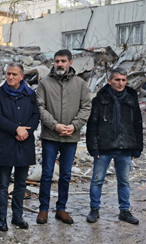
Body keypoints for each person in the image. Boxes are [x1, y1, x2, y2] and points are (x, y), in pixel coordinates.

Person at [36, 49, 91, 225]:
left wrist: (74, 125)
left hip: (71, 137)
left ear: (70, 62)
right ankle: (43, 209)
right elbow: (40, 107)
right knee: (46, 173)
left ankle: (61, 209)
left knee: (65, 175)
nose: (59, 64)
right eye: (57, 61)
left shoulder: (80, 84)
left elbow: (86, 108)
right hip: (50, 136)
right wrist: (55, 125)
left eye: (63, 61)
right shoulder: (45, 83)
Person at [85, 68, 143, 225]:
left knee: (124, 181)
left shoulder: (131, 99)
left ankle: (124, 211)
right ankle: (94, 210)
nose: (121, 83)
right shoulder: (99, 100)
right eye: (117, 80)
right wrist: (93, 148)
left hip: (125, 147)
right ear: (109, 81)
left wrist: (137, 147)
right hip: (104, 148)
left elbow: (137, 124)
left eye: (123, 80)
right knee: (97, 180)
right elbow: (93, 125)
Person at [0, 64, 40, 231]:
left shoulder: (30, 94)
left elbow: (36, 115)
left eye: (14, 74)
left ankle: (17, 217)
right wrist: (15, 129)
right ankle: (1, 219)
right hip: (6, 143)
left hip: (24, 143)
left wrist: (27, 130)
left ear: (21, 76)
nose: (10, 77)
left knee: (20, 184)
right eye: (8, 74)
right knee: (3, 184)